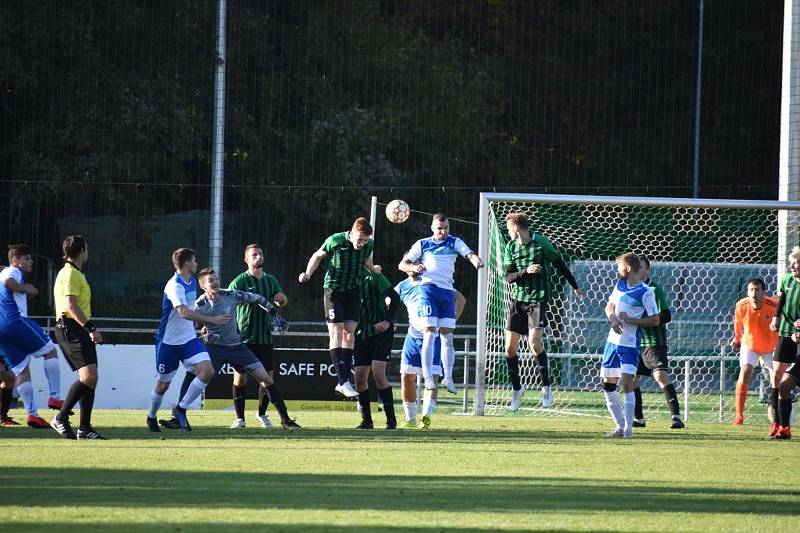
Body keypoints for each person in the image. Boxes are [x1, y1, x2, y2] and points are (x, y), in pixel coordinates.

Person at [161, 268, 297, 431]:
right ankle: (177, 417)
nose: (216, 282)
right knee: (193, 373)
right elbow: (191, 325)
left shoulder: (231, 295)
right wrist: (204, 334)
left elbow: (258, 298)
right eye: (211, 280)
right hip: (214, 350)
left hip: (237, 347)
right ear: (203, 285)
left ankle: (286, 420)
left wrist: (274, 313)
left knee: (266, 379)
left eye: (216, 278)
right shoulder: (199, 305)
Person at [501, 213, 584, 411]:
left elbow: (559, 263)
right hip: (517, 300)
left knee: (534, 344)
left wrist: (575, 286)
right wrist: (525, 271)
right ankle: (517, 389)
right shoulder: (511, 247)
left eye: (509, 229)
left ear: (517, 229)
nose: (508, 232)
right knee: (509, 348)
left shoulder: (541, 244)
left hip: (537, 300)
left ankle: (546, 387)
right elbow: (508, 277)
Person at [399, 213, 483, 398]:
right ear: (432, 228)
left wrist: (474, 259)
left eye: (445, 228)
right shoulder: (423, 244)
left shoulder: (454, 242)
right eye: (439, 228)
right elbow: (402, 264)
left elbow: (467, 252)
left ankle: (448, 377)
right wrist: (414, 268)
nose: (443, 231)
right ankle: (428, 377)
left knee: (447, 335)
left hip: (447, 293)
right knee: (429, 330)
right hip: (428, 290)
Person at [146, 248, 229, 432]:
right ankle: (151, 417)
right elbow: (183, 312)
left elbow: (191, 310)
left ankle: (180, 409)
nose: (196, 263)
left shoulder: (191, 281)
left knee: (207, 371)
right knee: (162, 386)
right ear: (186, 264)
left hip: (189, 340)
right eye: (194, 260)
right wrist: (213, 320)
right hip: (168, 343)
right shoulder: (174, 286)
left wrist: (201, 327)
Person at [298, 217, 378, 399]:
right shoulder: (336, 240)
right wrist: (308, 274)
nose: (361, 243)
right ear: (352, 233)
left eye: (365, 240)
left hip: (353, 290)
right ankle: (343, 381)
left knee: (350, 332)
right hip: (334, 290)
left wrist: (374, 269)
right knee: (337, 331)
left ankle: (343, 381)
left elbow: (366, 261)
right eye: (359, 239)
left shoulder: (368, 245)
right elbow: (318, 255)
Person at [227, 244, 299, 429]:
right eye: (254, 254)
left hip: (265, 337)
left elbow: (280, 298)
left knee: (267, 377)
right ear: (246, 259)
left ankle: (261, 414)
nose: (258, 256)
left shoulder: (271, 280)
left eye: (260, 253)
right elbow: (228, 304)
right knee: (240, 377)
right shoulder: (239, 281)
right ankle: (240, 419)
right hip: (244, 338)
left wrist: (283, 299)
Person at [395, 268, 466, 429]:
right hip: (413, 337)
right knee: (406, 376)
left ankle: (426, 417)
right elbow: (388, 302)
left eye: (418, 262)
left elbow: (460, 299)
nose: (416, 266)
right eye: (411, 263)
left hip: (433, 338)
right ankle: (410, 418)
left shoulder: (433, 283)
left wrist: (448, 322)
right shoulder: (402, 286)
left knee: (432, 378)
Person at [49, 236, 105, 439]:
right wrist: (91, 328)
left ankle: (85, 428)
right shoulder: (70, 273)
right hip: (70, 327)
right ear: (81, 251)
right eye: (87, 248)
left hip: (78, 327)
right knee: (88, 376)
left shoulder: (76, 273)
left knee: (91, 378)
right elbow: (71, 305)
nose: (88, 251)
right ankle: (61, 417)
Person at [0, 245, 66, 413]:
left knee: (22, 369)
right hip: (15, 321)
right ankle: (55, 397)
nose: (31, 261)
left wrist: (27, 294)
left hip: (2, 330)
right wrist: (25, 288)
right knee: (50, 350)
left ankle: (32, 414)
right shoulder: (13, 271)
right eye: (27, 258)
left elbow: (9, 297)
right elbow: (9, 282)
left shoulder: (3, 274)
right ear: (16, 260)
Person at [602, 252, 659, 438]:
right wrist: (613, 319)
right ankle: (619, 427)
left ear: (627, 268)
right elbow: (609, 306)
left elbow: (655, 320)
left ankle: (628, 429)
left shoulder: (646, 292)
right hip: (612, 342)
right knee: (608, 383)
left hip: (629, 343)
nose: (616, 270)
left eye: (619, 267)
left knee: (627, 383)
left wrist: (633, 320)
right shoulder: (619, 284)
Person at [631, 256, 684, 429]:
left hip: (654, 342)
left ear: (647, 270)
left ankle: (676, 417)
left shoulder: (653, 289)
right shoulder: (631, 289)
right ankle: (638, 418)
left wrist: (645, 319)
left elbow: (666, 315)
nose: (637, 270)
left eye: (641, 267)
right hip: (636, 342)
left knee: (660, 376)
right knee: (632, 380)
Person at [352, 268, 401, 430]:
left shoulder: (374, 275)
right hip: (361, 333)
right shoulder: (345, 278)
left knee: (378, 373)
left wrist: (387, 321)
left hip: (380, 331)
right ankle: (367, 421)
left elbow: (394, 297)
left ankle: (391, 420)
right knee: (359, 378)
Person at [731, 277, 777, 426]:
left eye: (757, 290)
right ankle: (739, 416)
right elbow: (738, 325)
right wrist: (737, 339)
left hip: (771, 347)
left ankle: (776, 418)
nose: (754, 293)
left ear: (764, 292)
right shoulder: (741, 306)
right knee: (745, 371)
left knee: (776, 381)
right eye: (751, 289)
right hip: (749, 344)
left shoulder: (773, 306)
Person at [768, 246, 800, 439]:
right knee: (777, 377)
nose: (793, 266)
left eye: (796, 263)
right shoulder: (787, 279)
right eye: (792, 263)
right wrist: (776, 318)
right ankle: (778, 424)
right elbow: (782, 300)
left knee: (787, 381)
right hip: (786, 332)